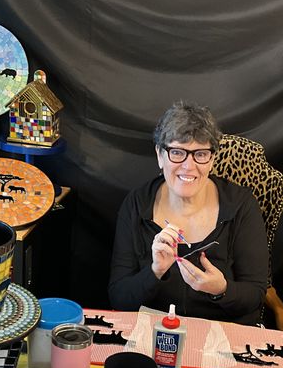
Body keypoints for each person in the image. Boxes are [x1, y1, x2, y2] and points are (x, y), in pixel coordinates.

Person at [108, 102, 269, 325]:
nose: (188, 166)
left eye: (200, 154)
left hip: (223, 331)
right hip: (155, 330)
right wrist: (155, 272)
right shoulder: (136, 205)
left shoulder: (241, 205)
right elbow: (119, 298)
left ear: (212, 159)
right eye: (177, 152)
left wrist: (221, 290)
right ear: (160, 155)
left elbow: (255, 295)